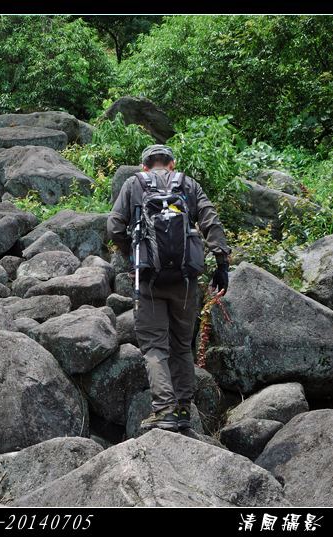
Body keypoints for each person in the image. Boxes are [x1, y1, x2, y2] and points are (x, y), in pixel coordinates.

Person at [107, 144, 231, 432]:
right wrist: (222, 264)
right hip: (186, 280)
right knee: (181, 346)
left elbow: (114, 226)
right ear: (172, 164)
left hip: (148, 278)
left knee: (154, 347)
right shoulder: (188, 183)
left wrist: (133, 253)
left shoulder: (133, 184)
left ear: (144, 166)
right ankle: (184, 410)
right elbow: (211, 220)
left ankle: (164, 412)